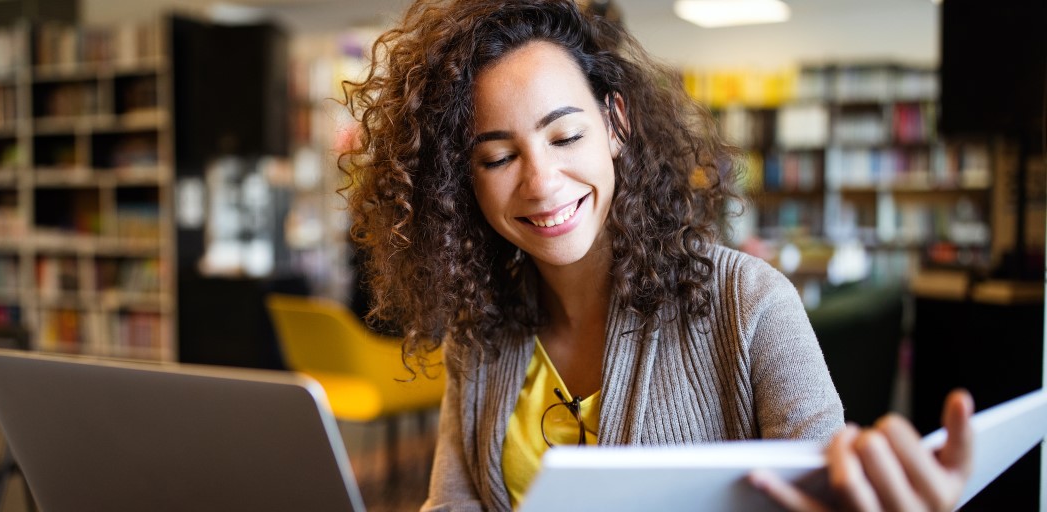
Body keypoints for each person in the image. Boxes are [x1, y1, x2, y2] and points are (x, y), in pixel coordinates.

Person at [338, 0, 974, 510]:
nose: (541, 182)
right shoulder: (478, 332)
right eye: (498, 157)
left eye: (565, 135)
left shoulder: (749, 303)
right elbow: (453, 502)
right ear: (463, 178)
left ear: (615, 125)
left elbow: (832, 492)